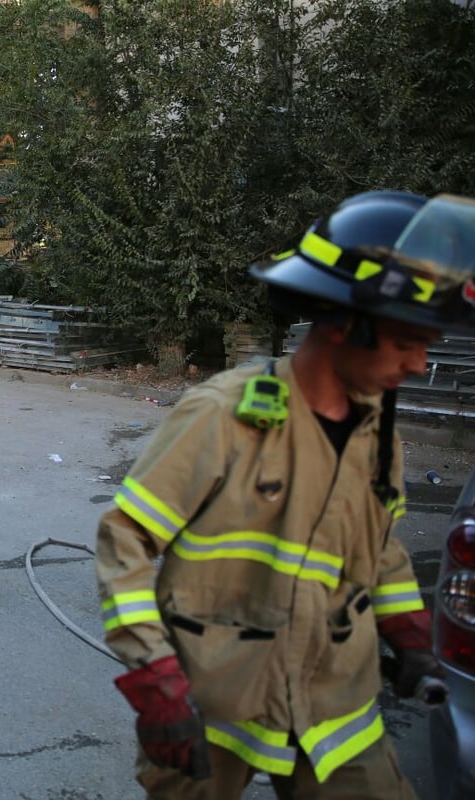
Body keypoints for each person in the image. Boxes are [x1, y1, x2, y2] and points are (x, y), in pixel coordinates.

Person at [94, 191, 475, 799]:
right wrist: (157, 678)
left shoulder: (380, 437)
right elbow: (125, 541)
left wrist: (406, 632)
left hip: (336, 706)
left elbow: (379, 549)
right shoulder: (222, 416)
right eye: (407, 341)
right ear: (344, 321)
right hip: (214, 701)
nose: (419, 363)